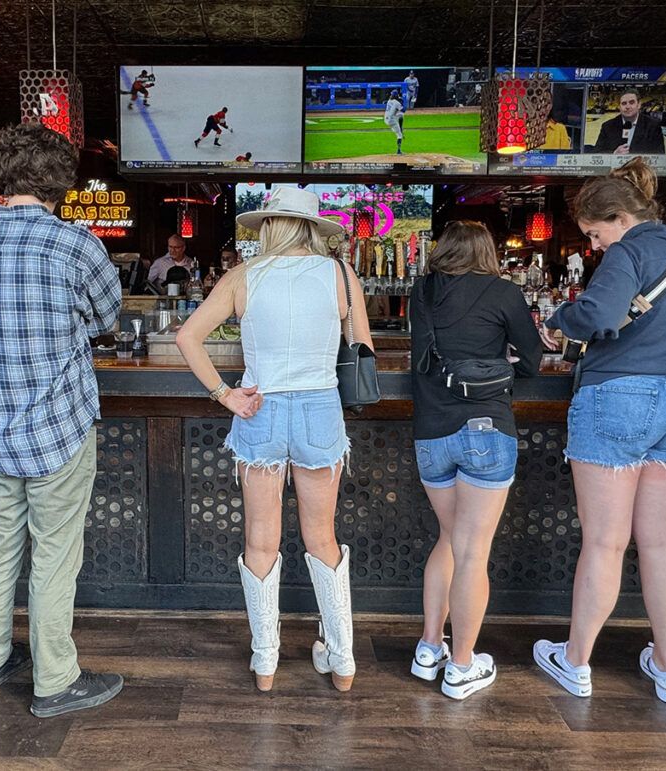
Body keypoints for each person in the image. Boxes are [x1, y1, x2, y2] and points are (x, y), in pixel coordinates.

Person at [0, 123, 124, 718]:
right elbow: (106, 318)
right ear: (61, 183)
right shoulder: (76, 245)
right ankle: (55, 680)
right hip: (57, 426)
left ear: (5, 177)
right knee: (53, 554)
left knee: (0, 543)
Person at [534, 159, 666, 705]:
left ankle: (576, 661)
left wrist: (558, 323)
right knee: (661, 540)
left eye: (594, 234)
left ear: (618, 217)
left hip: (620, 397)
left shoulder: (629, 251)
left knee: (606, 541)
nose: (593, 247)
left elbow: (598, 312)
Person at [176, 187, 373, 693]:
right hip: (319, 410)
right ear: (312, 228)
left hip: (259, 409)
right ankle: (343, 660)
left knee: (260, 541)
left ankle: (266, 662)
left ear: (269, 227)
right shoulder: (340, 276)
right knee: (323, 538)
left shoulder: (244, 276)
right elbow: (363, 348)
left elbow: (186, 337)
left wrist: (225, 395)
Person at [407, 221, 542, 701]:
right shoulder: (503, 292)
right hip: (485, 431)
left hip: (431, 435)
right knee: (471, 552)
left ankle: (429, 648)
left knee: (448, 539)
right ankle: (462, 665)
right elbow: (532, 361)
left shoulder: (421, 292)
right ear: (486, 252)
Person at [593, 90, 666, 155]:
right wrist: (614, 153)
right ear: (619, 107)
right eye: (624, 103)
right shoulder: (607, 126)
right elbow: (597, 152)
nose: (628, 106)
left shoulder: (653, 126)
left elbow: (659, 154)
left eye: (631, 102)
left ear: (639, 104)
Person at [385, 91, 405, 155]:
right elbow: (403, 110)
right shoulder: (397, 103)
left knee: (399, 116)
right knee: (399, 135)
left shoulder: (389, 101)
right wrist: (403, 104)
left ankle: (398, 129)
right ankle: (399, 151)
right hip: (392, 120)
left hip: (386, 119)